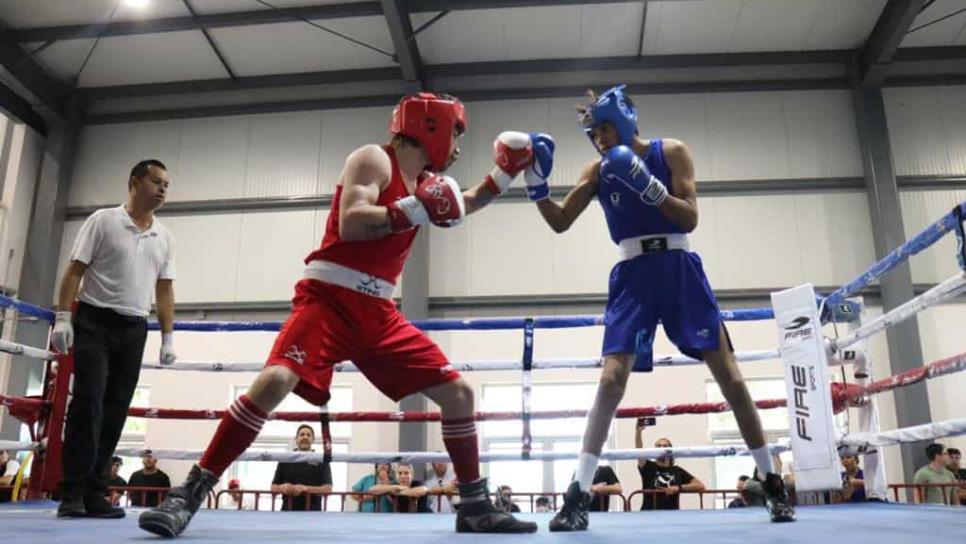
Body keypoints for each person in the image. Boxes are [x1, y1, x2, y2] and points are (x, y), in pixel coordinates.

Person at [140, 92, 538, 537]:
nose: (459, 146)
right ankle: (188, 495)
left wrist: (508, 171)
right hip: (328, 299)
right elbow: (352, 220)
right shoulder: (374, 159)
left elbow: (465, 201)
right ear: (431, 127)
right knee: (275, 380)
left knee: (459, 394)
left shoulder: (425, 182)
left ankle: (476, 506)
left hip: (379, 313)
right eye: (457, 133)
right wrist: (414, 208)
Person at [530, 85, 795, 531]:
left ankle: (771, 481)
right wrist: (535, 186)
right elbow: (559, 222)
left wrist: (650, 188)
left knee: (728, 375)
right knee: (612, 379)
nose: (600, 139)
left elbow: (690, 217)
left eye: (606, 128)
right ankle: (577, 495)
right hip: (632, 275)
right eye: (594, 133)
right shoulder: (597, 170)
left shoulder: (671, 151)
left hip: (679, 267)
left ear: (626, 119)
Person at [52, 159, 177, 519]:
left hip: (134, 327)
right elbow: (75, 270)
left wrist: (168, 337)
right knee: (88, 400)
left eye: (167, 184)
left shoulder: (164, 237)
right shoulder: (103, 221)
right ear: (134, 182)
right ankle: (72, 491)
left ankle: (95, 490)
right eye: (156, 182)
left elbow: (165, 289)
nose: (164, 189)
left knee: (116, 408)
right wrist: (63, 317)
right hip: (94, 319)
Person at [634, 432, 705, 511]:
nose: (661, 448)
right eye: (658, 446)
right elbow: (639, 451)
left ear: (670, 450)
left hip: (672, 515)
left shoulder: (677, 470)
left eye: (665, 446)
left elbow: (700, 486)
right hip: (649, 514)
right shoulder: (648, 466)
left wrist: (678, 488)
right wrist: (638, 431)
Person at [270, 424, 332, 511]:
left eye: (308, 435)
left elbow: (328, 489)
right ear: (296, 439)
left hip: (313, 514)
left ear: (313, 439)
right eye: (302, 435)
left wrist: (306, 489)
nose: (305, 437)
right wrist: (283, 487)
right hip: (287, 512)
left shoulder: (321, 460)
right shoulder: (285, 459)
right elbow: (273, 487)